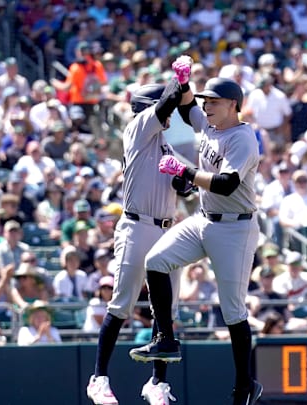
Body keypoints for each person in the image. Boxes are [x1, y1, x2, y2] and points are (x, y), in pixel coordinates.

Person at [128, 60, 263, 405]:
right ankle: (166, 339)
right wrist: (182, 82)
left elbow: (227, 184)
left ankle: (245, 384)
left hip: (236, 227)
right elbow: (188, 108)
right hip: (204, 219)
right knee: (155, 261)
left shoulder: (242, 137)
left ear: (234, 105)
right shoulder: (214, 126)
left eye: (214, 101)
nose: (207, 106)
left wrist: (186, 172)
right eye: (206, 101)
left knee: (233, 310)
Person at [87, 80, 183, 405]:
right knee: (122, 303)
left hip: (166, 228)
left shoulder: (165, 143)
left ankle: (158, 383)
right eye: (162, 109)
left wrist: (185, 182)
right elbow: (169, 101)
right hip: (137, 225)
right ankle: (98, 378)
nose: (169, 116)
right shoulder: (138, 128)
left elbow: (179, 187)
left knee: (165, 310)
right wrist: (180, 80)